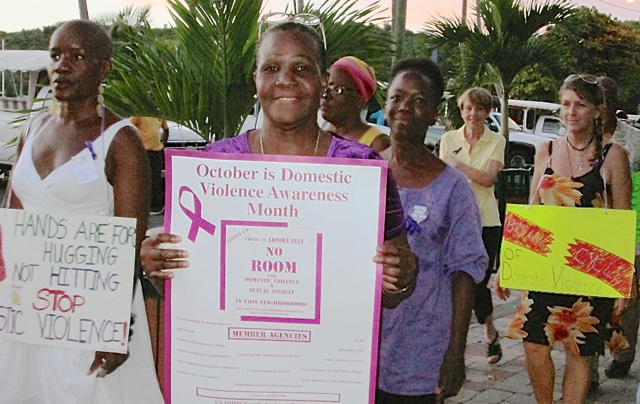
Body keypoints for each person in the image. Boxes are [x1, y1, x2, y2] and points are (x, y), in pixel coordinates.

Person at [140, 22, 416, 302]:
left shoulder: (362, 168)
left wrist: (400, 278)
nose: (286, 79)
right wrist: (158, 271)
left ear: (323, 80)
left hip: (325, 345)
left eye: (302, 68)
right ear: (255, 79)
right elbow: (192, 297)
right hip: (236, 344)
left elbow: (389, 295)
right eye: (271, 68)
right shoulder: (213, 166)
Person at [0, 20, 164, 404]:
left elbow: (129, 244)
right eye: (56, 55)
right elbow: (12, 222)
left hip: (89, 318)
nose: (61, 65)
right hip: (29, 312)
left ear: (103, 68)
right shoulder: (34, 127)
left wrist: (114, 328)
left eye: (77, 57)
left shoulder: (121, 141)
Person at [498, 74, 631, 404]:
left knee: (580, 351)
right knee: (532, 342)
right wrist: (508, 262)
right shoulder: (546, 149)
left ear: (597, 111)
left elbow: (622, 219)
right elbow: (532, 208)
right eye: (566, 104)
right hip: (546, 266)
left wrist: (623, 283)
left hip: (592, 270)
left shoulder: (613, 156)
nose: (571, 112)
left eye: (581, 105)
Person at [376, 58, 487, 404]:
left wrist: (455, 353)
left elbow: (465, 273)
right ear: (385, 104)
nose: (405, 107)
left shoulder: (452, 189)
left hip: (420, 353)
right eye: (397, 97)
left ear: (434, 114)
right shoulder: (364, 172)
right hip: (360, 350)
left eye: (419, 101)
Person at [439, 87, 506, 364]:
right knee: (453, 282)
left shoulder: (496, 141)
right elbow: (443, 177)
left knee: (477, 282)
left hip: (486, 220)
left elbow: (488, 178)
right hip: (453, 220)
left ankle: (490, 332)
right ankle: (453, 347)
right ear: (461, 110)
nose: (472, 114)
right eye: (467, 108)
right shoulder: (447, 139)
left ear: (487, 112)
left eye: (479, 109)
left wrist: (458, 166)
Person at [592, 76, 640, 381]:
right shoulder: (580, 136)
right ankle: (589, 369)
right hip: (590, 231)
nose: (605, 104)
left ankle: (624, 355)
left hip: (627, 229)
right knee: (592, 300)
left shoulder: (634, 139)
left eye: (610, 97)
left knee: (628, 296)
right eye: (600, 97)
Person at [320, 56, 390, 153]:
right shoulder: (316, 138)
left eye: (337, 89)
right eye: (324, 87)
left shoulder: (378, 145)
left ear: (359, 98)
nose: (325, 95)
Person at [129, 116, 169, 215]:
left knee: (156, 179)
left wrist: (164, 143)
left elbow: (166, 129)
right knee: (143, 179)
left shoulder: (158, 114)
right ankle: (143, 206)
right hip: (144, 151)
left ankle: (157, 206)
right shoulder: (139, 114)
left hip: (157, 151)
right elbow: (129, 127)